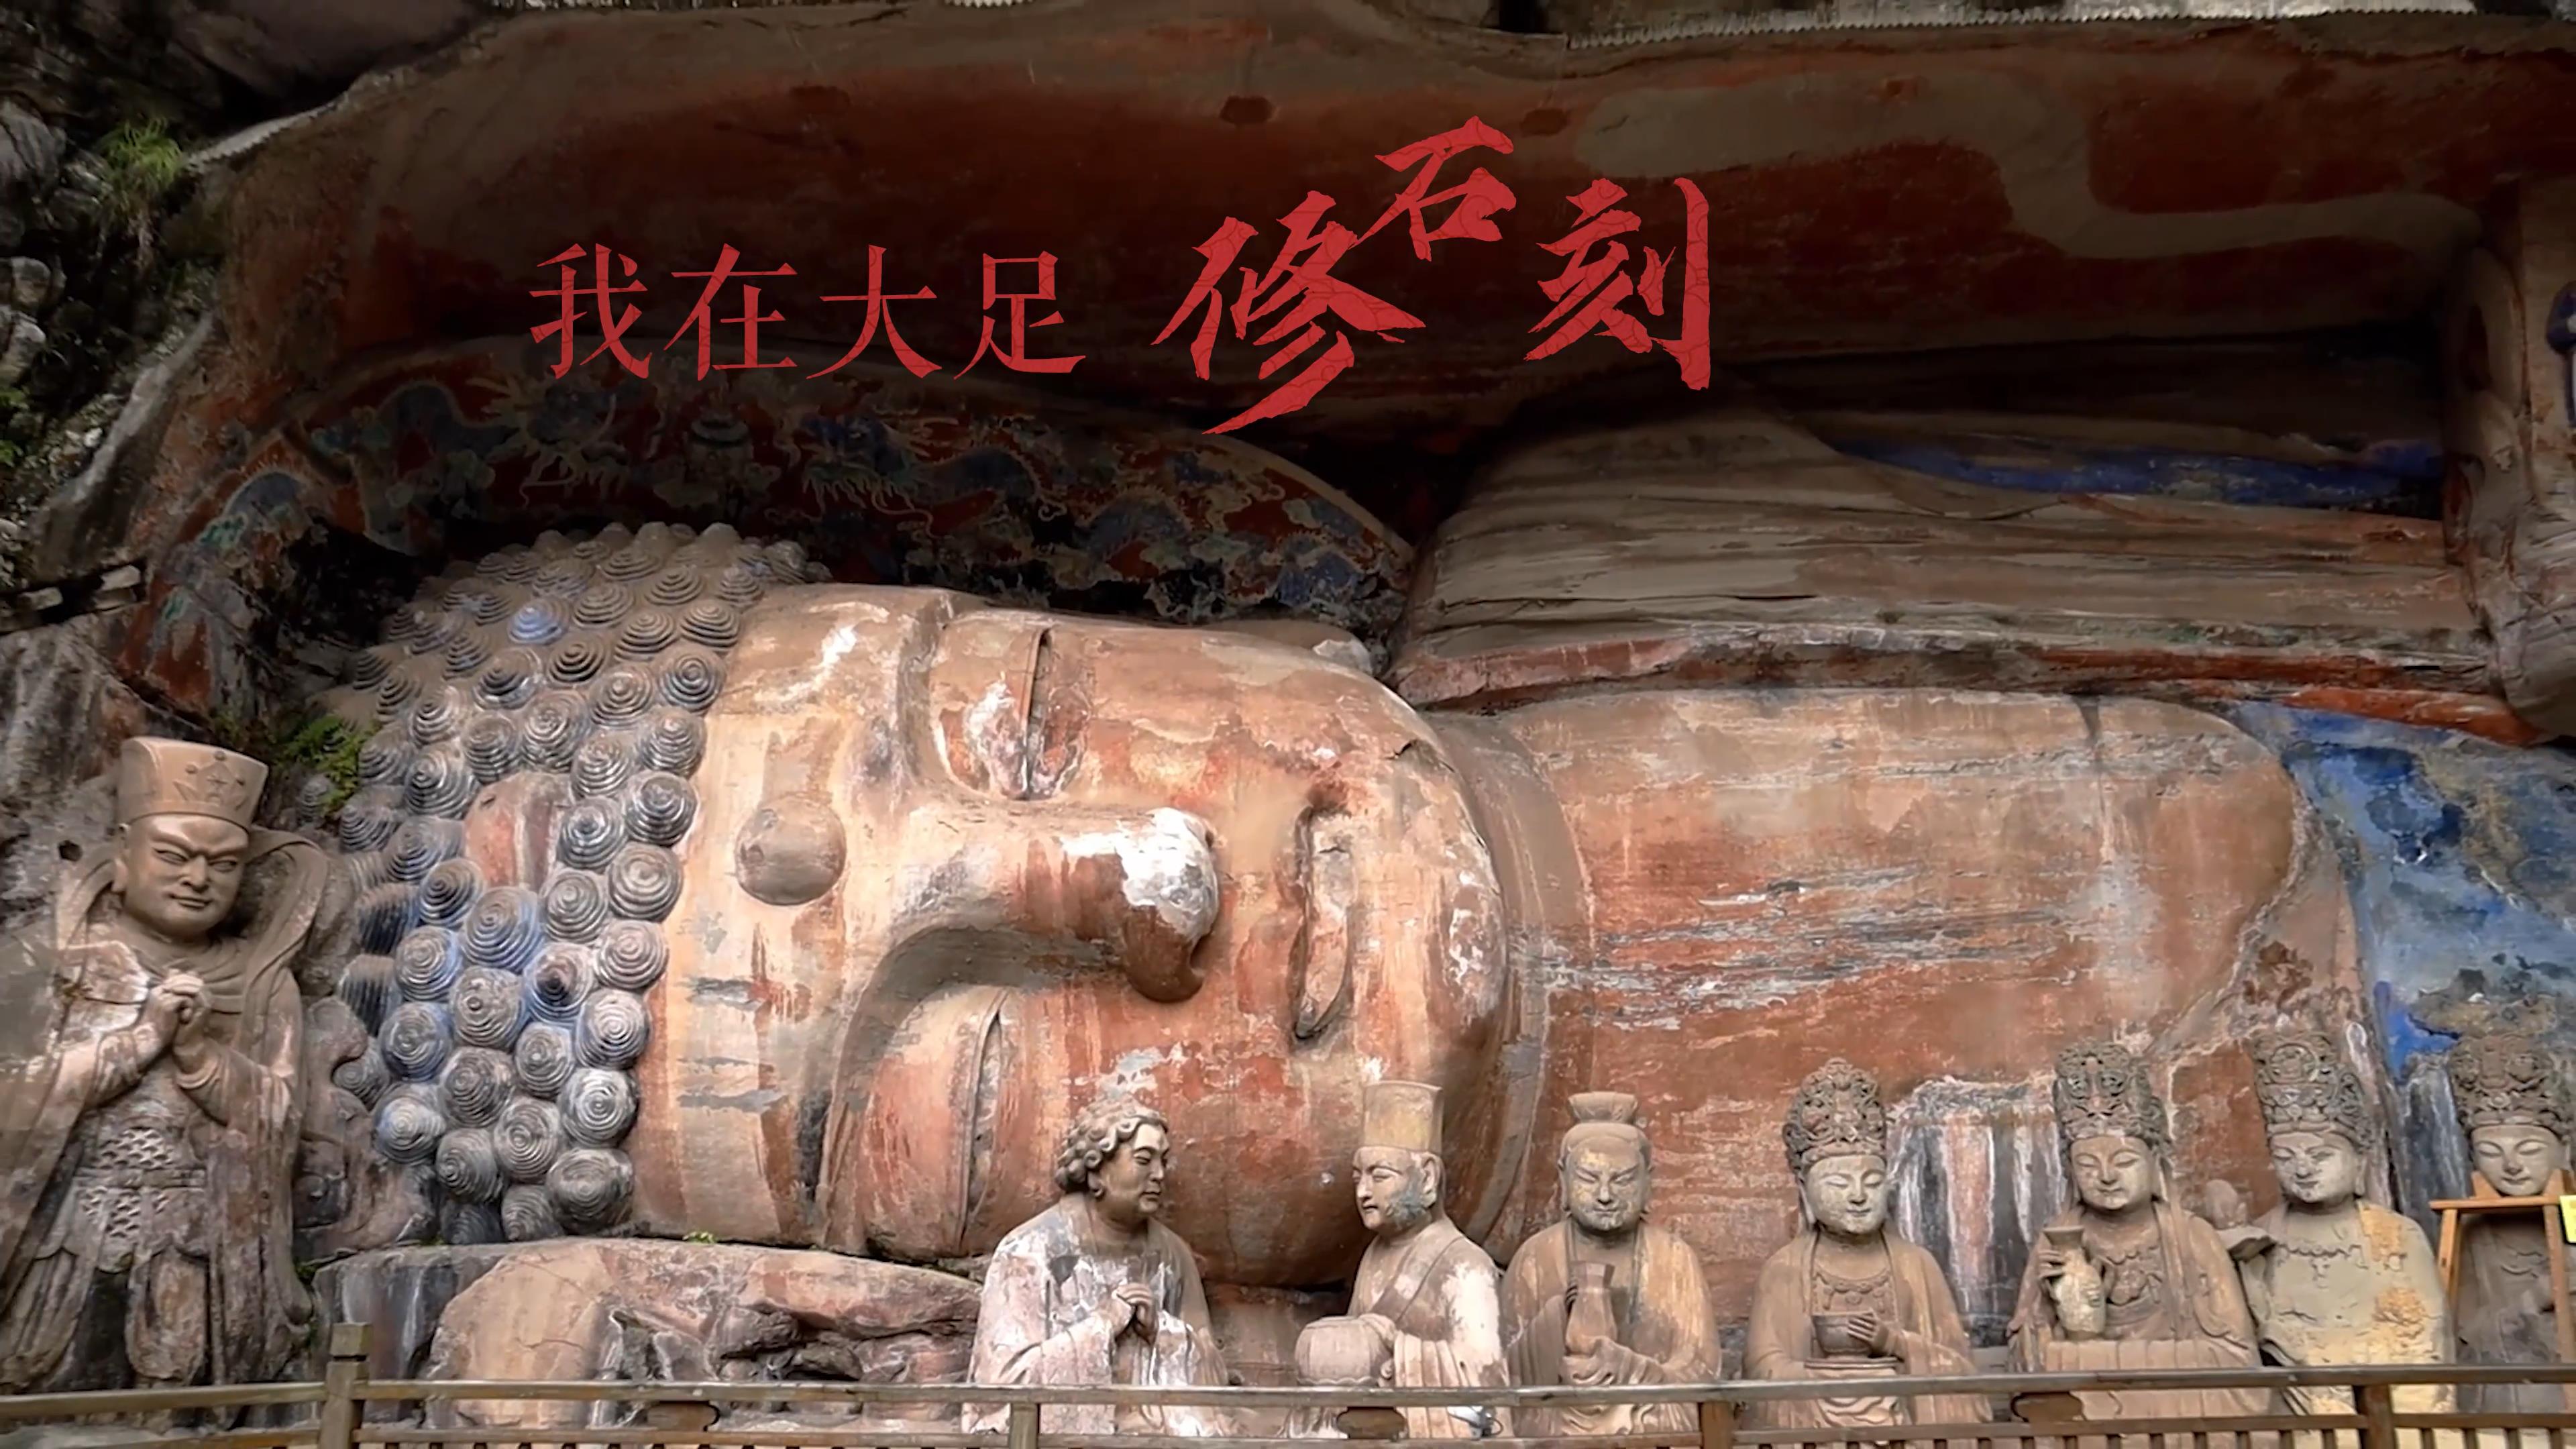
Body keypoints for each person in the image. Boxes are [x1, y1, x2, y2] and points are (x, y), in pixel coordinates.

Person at [0, 739, 323, 1397]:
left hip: (193, 1231)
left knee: (171, 1387)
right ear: (123, 855)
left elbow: (278, 1120)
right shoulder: (47, 959)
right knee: (35, 1377)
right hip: (62, 1223)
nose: (198, 879)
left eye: (224, 865)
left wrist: (201, 1054)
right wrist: (140, 1042)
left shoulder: (263, 985)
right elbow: (12, 1095)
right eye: (174, 856)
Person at [965, 1095, 1230, 1436]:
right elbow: (998, 1387)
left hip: (1155, 1434)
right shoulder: (1030, 1250)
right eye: (1143, 1160)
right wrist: (1101, 1327)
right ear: (1096, 1170)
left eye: (1163, 1161)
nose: (1159, 1175)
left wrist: (1161, 1330)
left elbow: (1213, 1377)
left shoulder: (1172, 1254)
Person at [1502, 1091, 1719, 1438]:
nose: (1605, 1195)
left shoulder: (1674, 1256)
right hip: (1560, 1411)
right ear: (1563, 1179)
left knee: (1661, 1422)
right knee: (1532, 1426)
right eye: (1589, 1179)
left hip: (1644, 1411)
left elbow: (1702, 1367)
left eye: (1622, 1179)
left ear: (1648, 1181)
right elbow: (1504, 1370)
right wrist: (1555, 1321)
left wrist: (1634, 1369)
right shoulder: (1535, 1256)